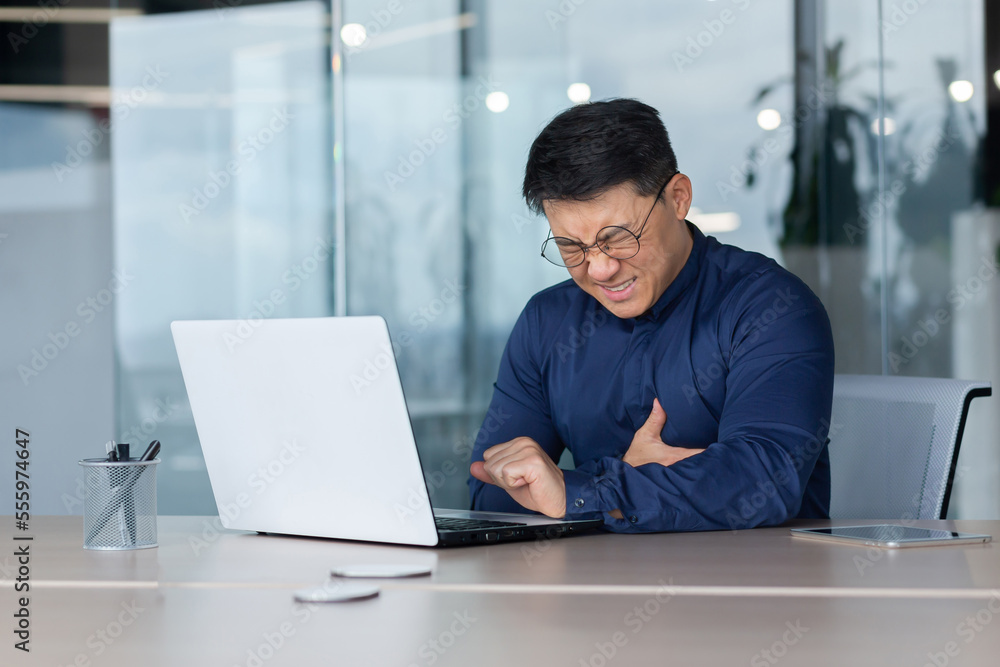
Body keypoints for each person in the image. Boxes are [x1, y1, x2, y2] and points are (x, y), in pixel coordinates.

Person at [467, 98, 835, 532]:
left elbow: (764, 481)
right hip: (595, 589)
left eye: (618, 237)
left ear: (678, 199)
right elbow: (490, 494)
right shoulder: (547, 322)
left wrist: (585, 492)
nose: (600, 268)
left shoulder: (770, 308)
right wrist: (627, 479)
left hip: (754, 587)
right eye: (571, 247)